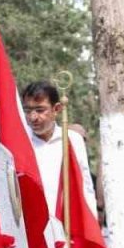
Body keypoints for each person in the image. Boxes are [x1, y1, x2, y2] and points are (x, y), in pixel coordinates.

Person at [23, 81, 97, 218]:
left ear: (56, 109)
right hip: (31, 225)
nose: (33, 117)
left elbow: (85, 187)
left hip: (65, 224)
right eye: (28, 111)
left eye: (40, 110)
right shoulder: (21, 142)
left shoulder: (72, 140)